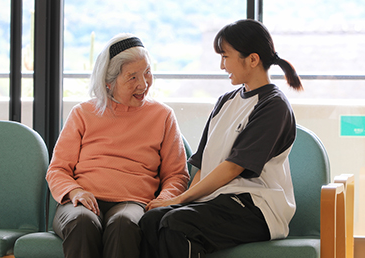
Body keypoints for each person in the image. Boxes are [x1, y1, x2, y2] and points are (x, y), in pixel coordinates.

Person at [139, 19, 303, 258]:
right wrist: (178, 201)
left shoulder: (273, 105)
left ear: (253, 59)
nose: (221, 66)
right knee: (152, 220)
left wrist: (181, 199)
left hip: (257, 207)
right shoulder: (226, 101)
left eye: (226, 57)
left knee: (177, 223)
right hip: (218, 201)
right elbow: (203, 167)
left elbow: (232, 168)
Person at [46, 33, 190, 258]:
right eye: (132, 77)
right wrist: (75, 191)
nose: (143, 84)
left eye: (147, 73)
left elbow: (177, 175)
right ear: (108, 83)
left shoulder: (163, 116)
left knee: (124, 224)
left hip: (133, 203)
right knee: (82, 222)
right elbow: (57, 169)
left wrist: (162, 200)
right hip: (81, 201)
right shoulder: (83, 113)